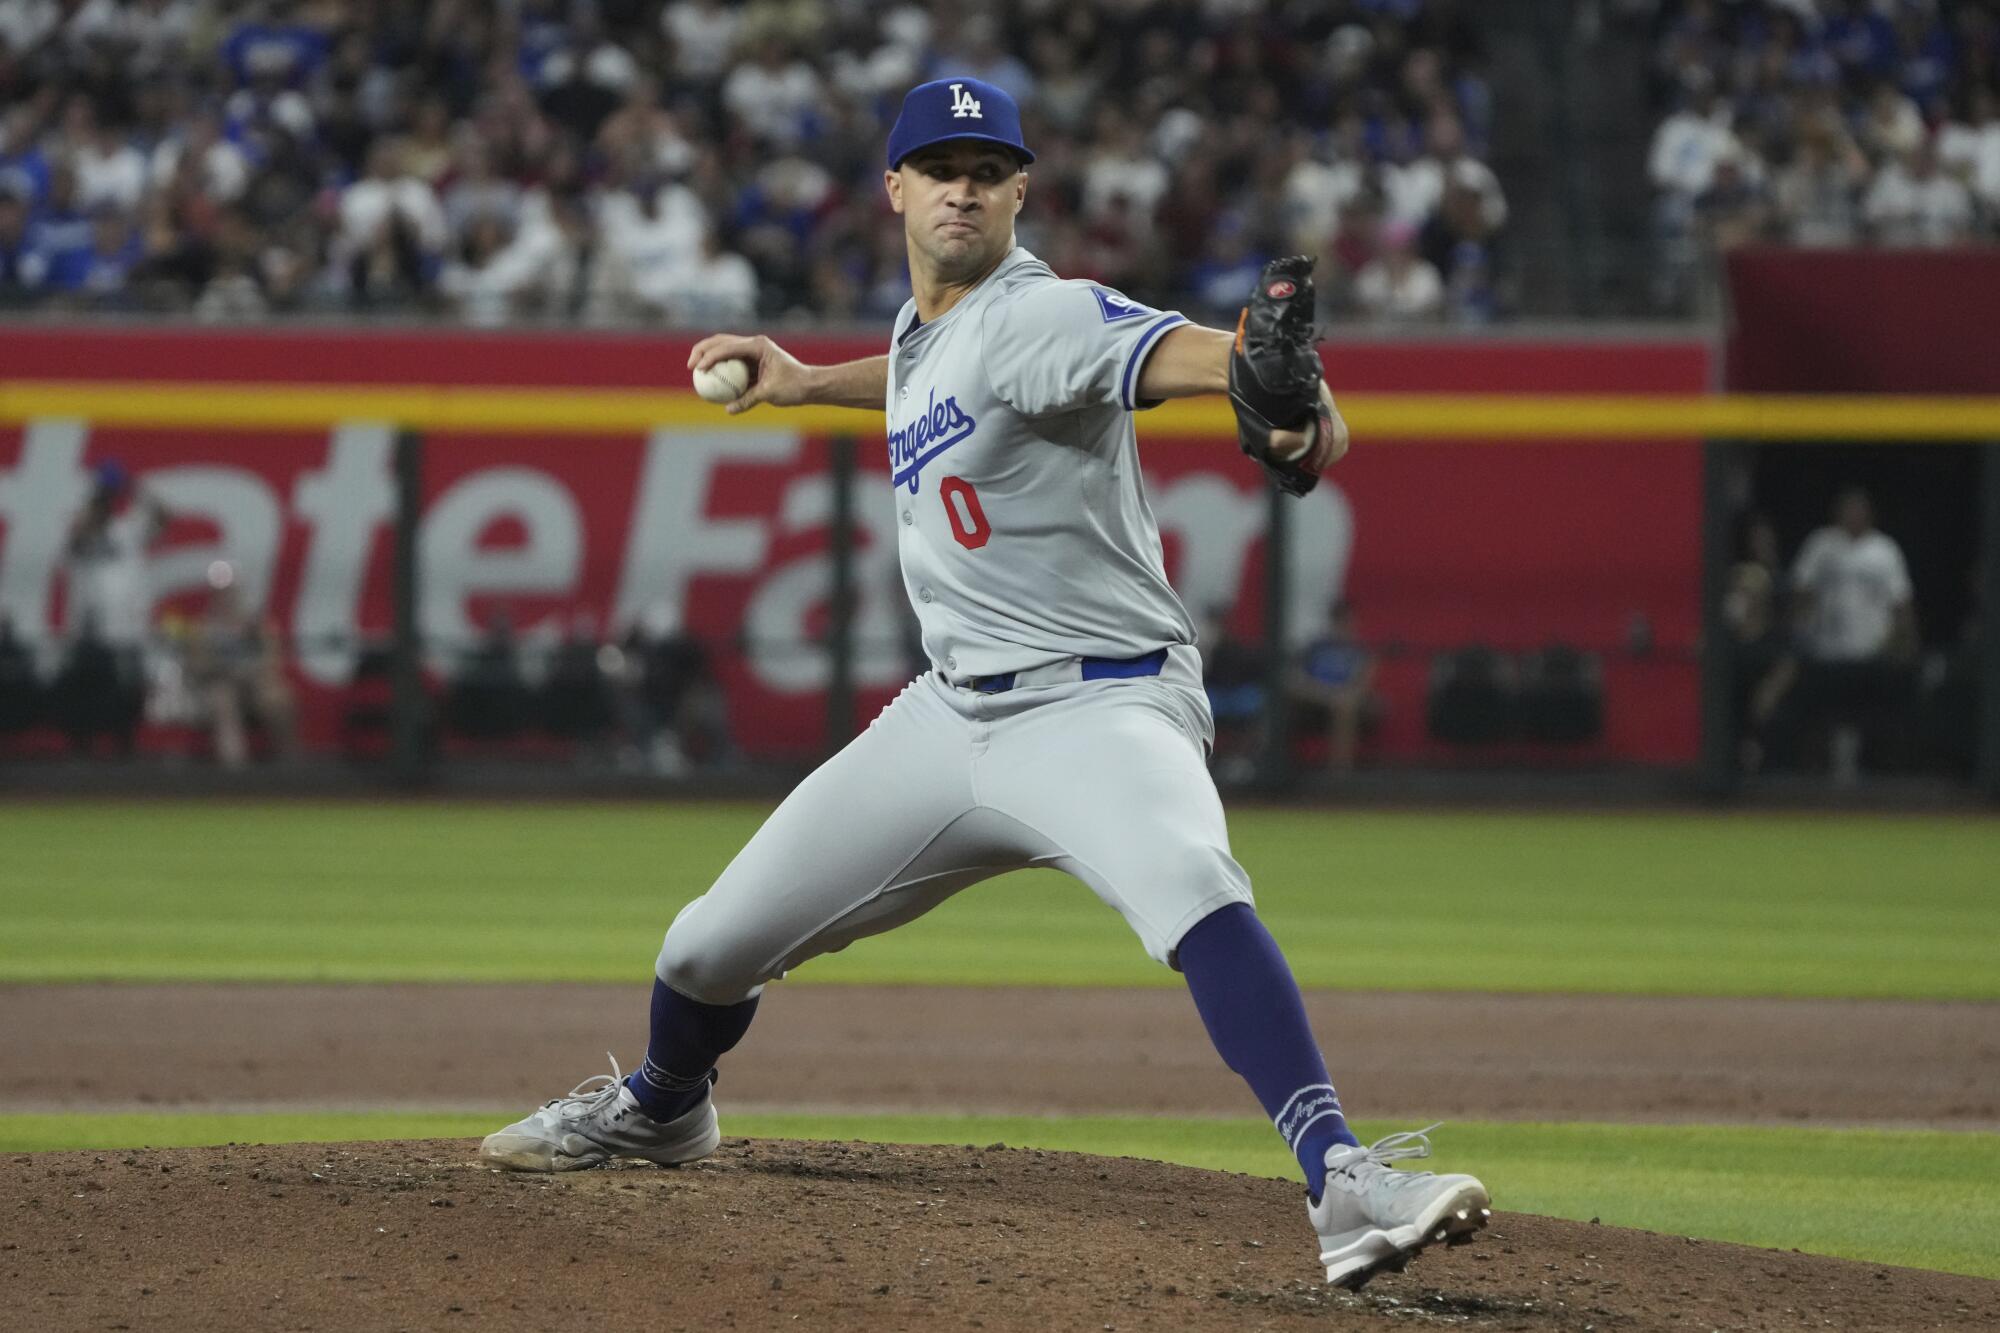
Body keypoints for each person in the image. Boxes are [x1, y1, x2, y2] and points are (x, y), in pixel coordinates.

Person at [481, 78, 1488, 1291]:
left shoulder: (1040, 311)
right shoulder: (930, 331)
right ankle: (661, 1106)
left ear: (1020, 191)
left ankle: (1341, 1177)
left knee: (1187, 881)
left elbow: (1177, 354)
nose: (963, 186)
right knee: (703, 949)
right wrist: (804, 384)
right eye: (939, 165)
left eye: (989, 167)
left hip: (1098, 707)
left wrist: (1267, 378)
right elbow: (930, 372)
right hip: (951, 716)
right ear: (894, 189)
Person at [1782, 488, 1917, 781]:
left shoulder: (1884, 549)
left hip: (1872, 652)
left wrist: (1902, 642)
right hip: (1827, 652)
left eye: (1859, 509)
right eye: (1848, 509)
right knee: (1819, 718)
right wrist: (1798, 633)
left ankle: (1879, 781)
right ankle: (1813, 779)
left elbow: (1901, 603)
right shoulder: (1821, 544)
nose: (1853, 515)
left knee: (1876, 720)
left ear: (1870, 514)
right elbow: (1800, 592)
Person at [1291, 601, 1381, 773]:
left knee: (1345, 704)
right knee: (1282, 693)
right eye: (1338, 621)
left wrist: (1343, 694)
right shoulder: (1316, 647)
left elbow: (1363, 683)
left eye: (1346, 621)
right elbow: (1297, 677)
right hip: (1314, 696)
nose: (1342, 626)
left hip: (1346, 699)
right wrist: (1323, 693)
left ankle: (1339, 771)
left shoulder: (1360, 651)